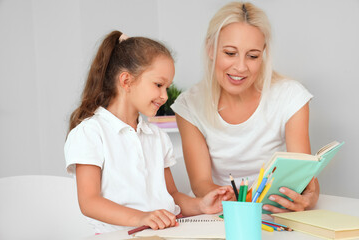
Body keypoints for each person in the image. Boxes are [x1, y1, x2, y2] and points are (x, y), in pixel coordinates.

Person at [64, 31, 233, 234]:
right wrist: (143, 217)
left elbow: (171, 194)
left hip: (162, 234)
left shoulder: (156, 136)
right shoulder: (90, 133)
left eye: (167, 87)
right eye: (159, 85)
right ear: (126, 81)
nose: (164, 96)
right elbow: (89, 202)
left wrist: (201, 206)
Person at [171, 2, 319, 214]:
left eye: (252, 56)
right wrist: (230, 200)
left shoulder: (290, 96)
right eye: (230, 53)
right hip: (222, 213)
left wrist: (309, 197)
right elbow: (200, 183)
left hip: (275, 212)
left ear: (263, 54)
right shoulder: (189, 105)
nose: (240, 67)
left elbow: (306, 177)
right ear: (210, 49)